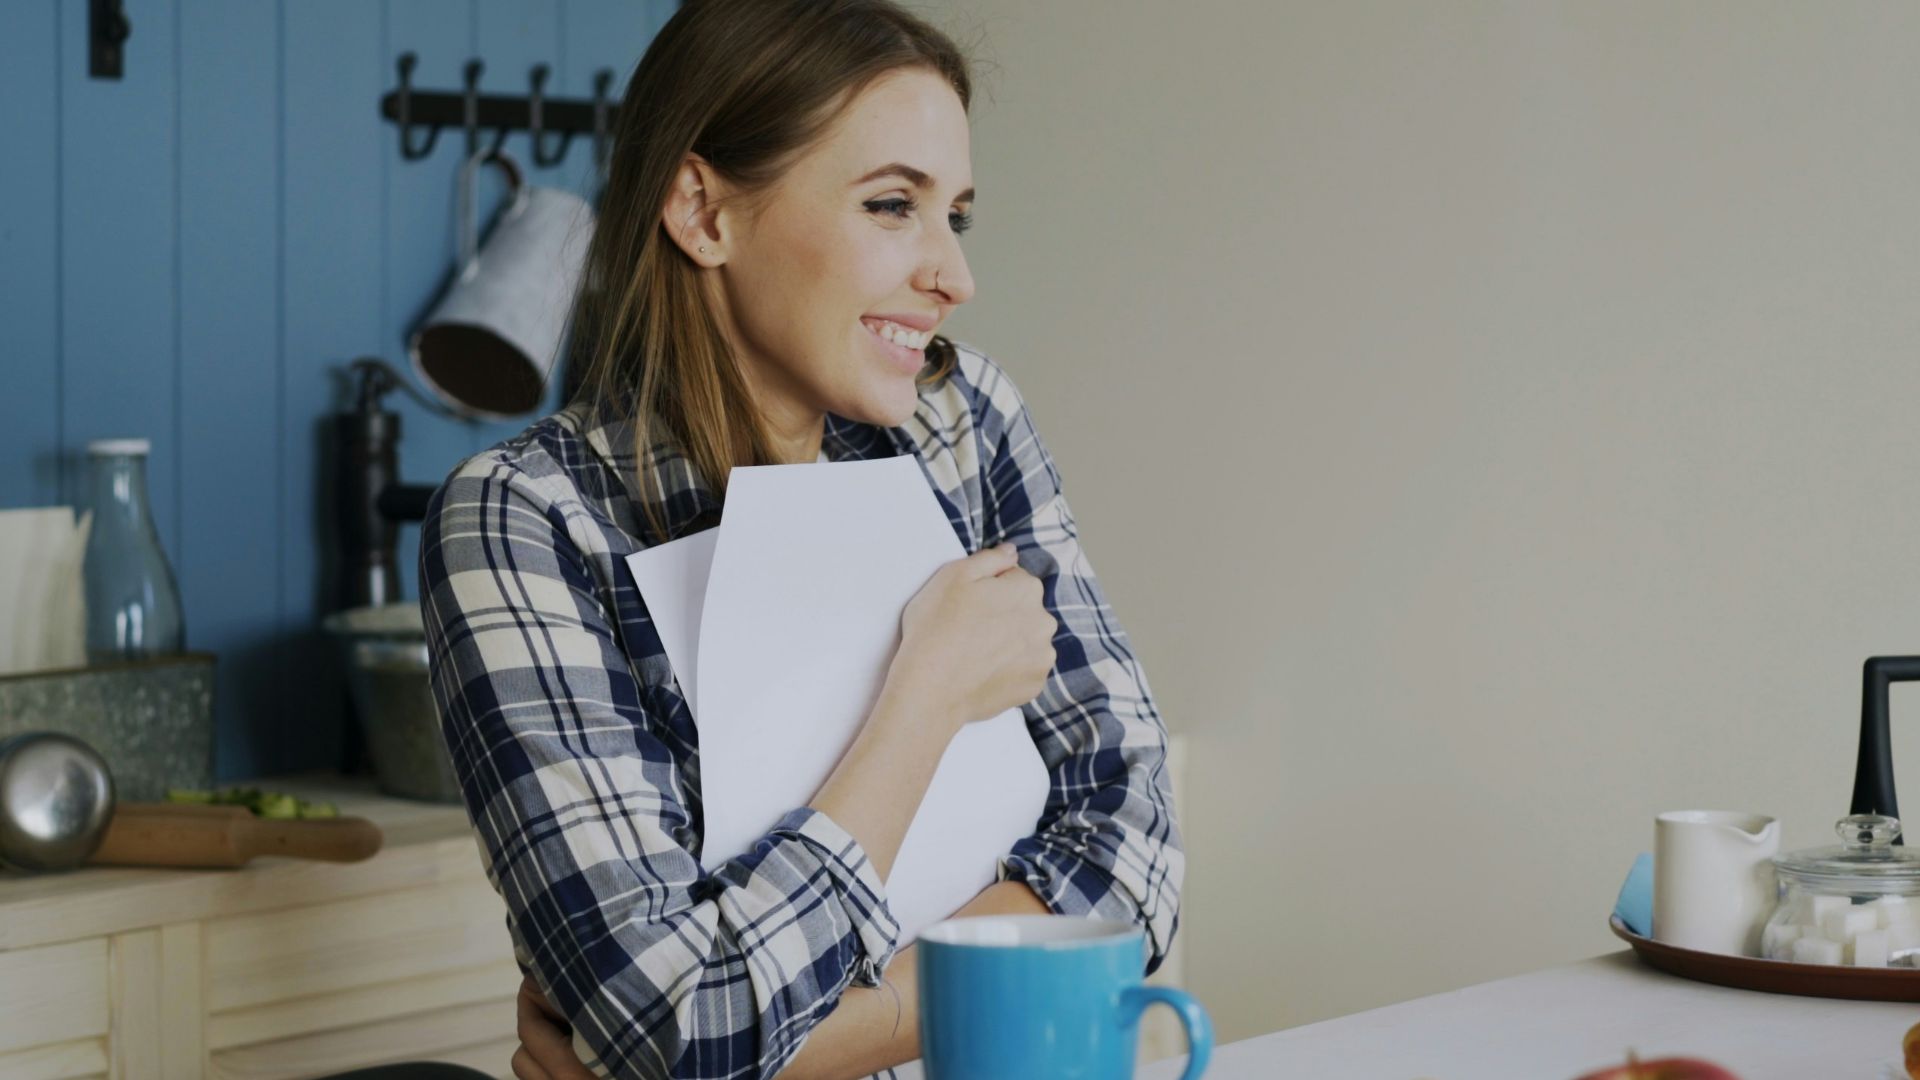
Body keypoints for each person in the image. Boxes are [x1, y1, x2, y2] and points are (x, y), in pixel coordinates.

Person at [417, 1, 1184, 1077]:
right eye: (890, 206)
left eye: (953, 215)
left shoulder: (964, 428)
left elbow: (1134, 863)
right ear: (702, 211)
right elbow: (682, 1026)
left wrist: (799, 1045)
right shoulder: (527, 519)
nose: (953, 275)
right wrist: (926, 698)